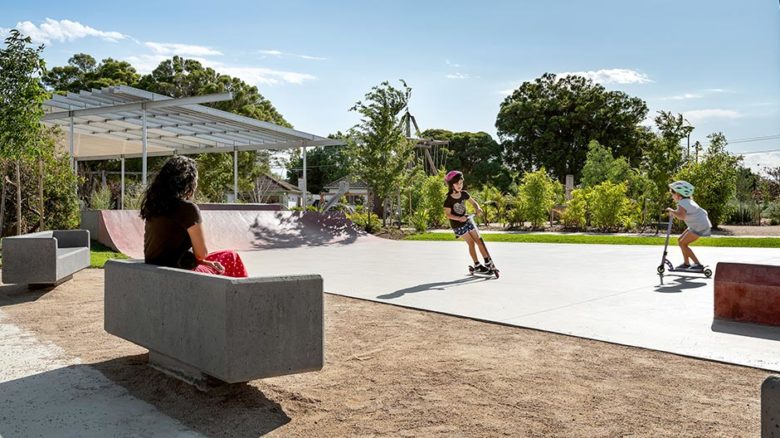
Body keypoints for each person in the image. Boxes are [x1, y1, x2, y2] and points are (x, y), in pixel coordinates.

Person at [140, 156, 248, 277]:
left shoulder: (154, 207)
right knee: (231, 257)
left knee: (220, 259)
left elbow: (165, 252)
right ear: (189, 183)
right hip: (179, 273)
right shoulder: (188, 209)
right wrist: (202, 259)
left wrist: (204, 262)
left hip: (156, 269)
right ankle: (245, 294)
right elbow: (201, 253)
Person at [443, 170, 493, 275]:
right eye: (457, 183)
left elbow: (474, 203)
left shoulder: (464, 194)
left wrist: (478, 208)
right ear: (451, 185)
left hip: (467, 220)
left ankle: (487, 261)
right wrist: (458, 218)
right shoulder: (448, 200)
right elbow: (448, 215)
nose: (460, 185)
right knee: (471, 243)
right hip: (458, 225)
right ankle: (477, 264)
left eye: (461, 183)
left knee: (479, 240)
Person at [666, 180, 711, 270]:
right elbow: (682, 214)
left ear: (678, 195)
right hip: (698, 224)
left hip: (699, 225)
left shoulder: (682, 203)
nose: (672, 197)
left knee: (683, 243)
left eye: (672, 194)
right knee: (680, 241)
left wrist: (672, 211)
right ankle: (686, 263)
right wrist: (674, 212)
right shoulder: (687, 201)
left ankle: (698, 264)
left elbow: (681, 216)